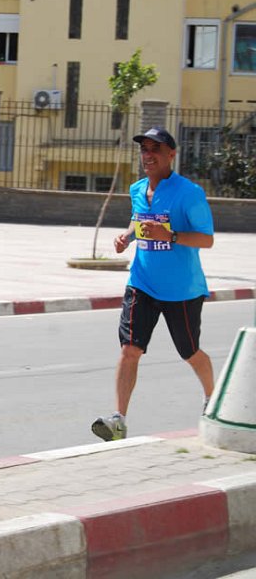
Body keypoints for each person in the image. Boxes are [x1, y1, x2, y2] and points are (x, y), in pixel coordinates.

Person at [91, 126, 215, 441]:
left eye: (155, 149)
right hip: (142, 283)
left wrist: (170, 236)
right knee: (129, 349)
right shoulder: (137, 189)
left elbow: (206, 239)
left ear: (171, 155)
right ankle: (118, 420)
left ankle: (213, 398)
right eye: (144, 149)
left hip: (182, 289)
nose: (148, 155)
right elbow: (138, 220)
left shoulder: (189, 193)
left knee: (190, 352)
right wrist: (126, 237)